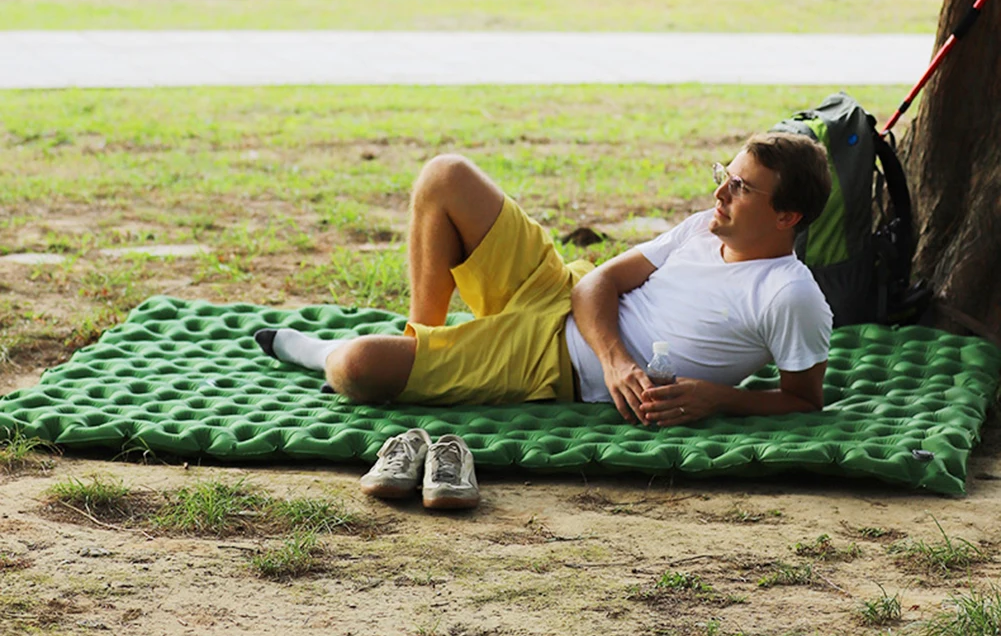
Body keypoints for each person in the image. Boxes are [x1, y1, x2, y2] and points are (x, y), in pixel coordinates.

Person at [256, 131, 834, 431]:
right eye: (724, 175)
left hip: (554, 363)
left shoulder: (789, 295)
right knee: (445, 176)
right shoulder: (704, 228)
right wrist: (617, 361)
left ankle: (342, 356)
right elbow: (596, 284)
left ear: (787, 217)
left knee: (356, 367)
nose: (719, 192)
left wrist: (718, 398)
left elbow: (804, 401)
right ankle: (420, 343)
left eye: (741, 188)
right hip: (561, 293)